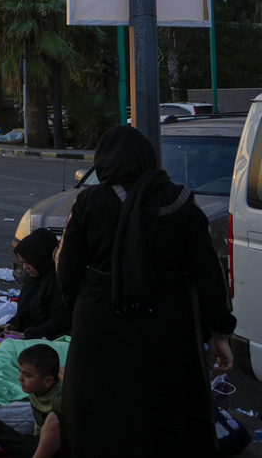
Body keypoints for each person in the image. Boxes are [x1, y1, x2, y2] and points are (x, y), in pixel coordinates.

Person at [55, 126, 235, 458]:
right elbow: (209, 272)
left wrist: (81, 306)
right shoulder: (181, 203)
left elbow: (66, 266)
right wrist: (220, 333)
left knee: (100, 415)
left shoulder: (88, 202)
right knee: (167, 415)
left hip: (99, 324)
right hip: (168, 324)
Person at [1, 228, 70, 340]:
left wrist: (25, 335)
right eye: (23, 262)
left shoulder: (59, 283)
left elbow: (59, 323)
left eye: (29, 262)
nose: (25, 267)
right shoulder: (32, 280)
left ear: (41, 258)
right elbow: (25, 312)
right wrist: (12, 325)